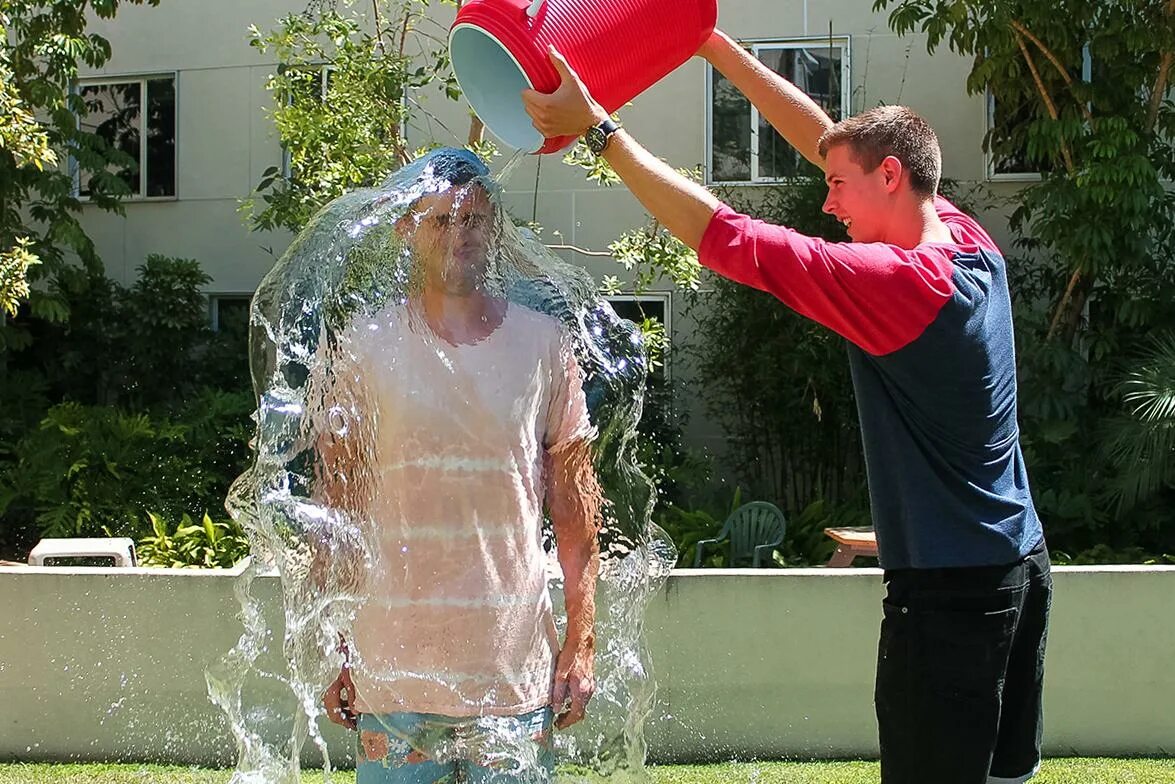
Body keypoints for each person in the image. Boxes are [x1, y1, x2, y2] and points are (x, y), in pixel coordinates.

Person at [522, 31, 1052, 784]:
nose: (826, 201)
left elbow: (724, 236)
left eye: (837, 186)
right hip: (1017, 566)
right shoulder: (966, 246)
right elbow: (830, 143)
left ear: (892, 176)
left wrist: (599, 130)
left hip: (951, 593)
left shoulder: (898, 286)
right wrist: (710, 45)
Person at [314, 150, 602, 784]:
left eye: (473, 219)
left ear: (494, 228)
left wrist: (580, 642)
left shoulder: (546, 345)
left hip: (511, 679)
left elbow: (577, 517)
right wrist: (337, 647)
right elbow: (339, 511)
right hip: (393, 680)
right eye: (441, 220)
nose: (459, 235)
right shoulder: (365, 346)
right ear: (407, 231)